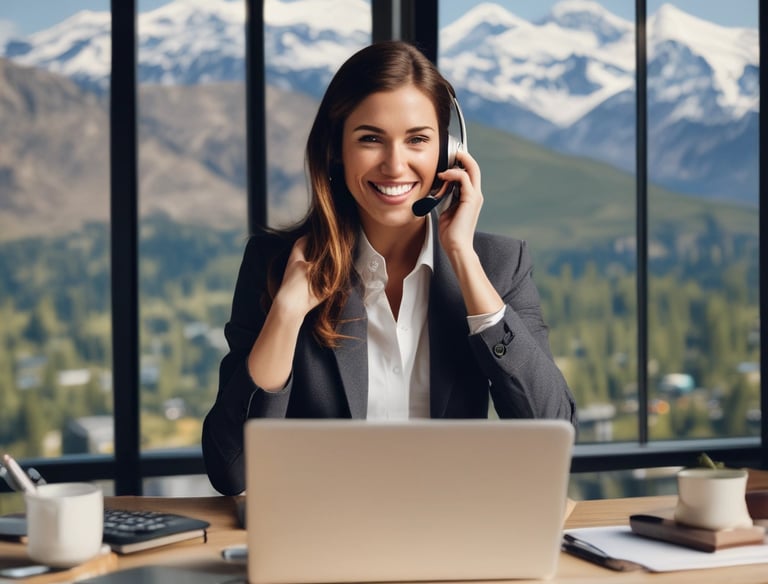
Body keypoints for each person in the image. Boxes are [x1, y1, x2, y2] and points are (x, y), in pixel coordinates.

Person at [202, 40, 576, 496]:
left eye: (418, 139)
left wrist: (464, 260)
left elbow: (553, 433)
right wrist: (287, 312)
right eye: (370, 139)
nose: (395, 165)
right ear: (337, 150)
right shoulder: (274, 264)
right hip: (321, 543)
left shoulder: (498, 267)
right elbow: (231, 470)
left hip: (450, 536)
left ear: (449, 152)